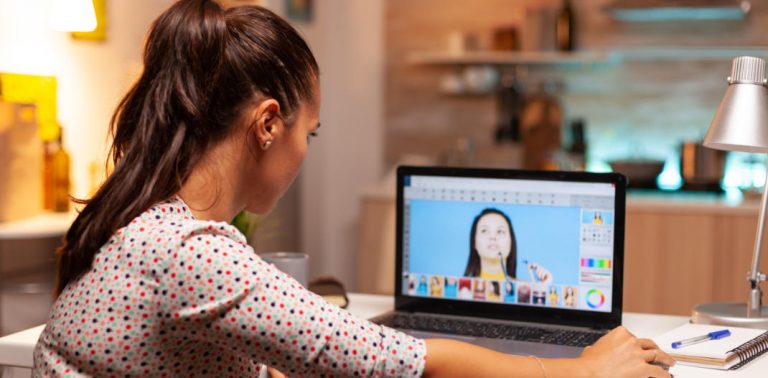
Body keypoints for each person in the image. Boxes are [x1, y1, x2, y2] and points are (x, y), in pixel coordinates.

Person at [33, 1, 675, 377]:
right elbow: (401, 359)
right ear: (266, 123)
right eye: (309, 132)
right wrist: (581, 370)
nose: (306, 150)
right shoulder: (190, 252)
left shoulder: (137, 217)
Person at [464, 208, 553, 283]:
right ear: (474, 242)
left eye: (500, 231)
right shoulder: (461, 288)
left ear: (511, 242)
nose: (493, 237)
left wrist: (540, 289)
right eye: (484, 231)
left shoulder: (525, 288)